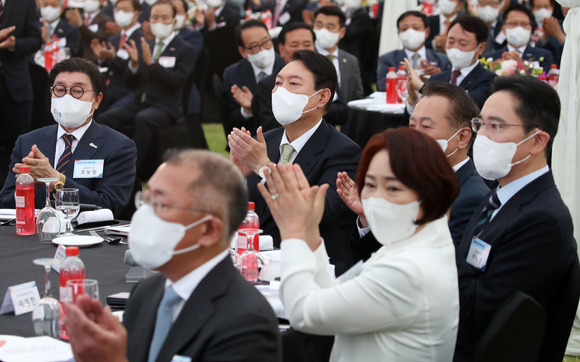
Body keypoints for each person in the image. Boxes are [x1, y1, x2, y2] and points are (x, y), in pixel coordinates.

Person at [257, 127, 460, 361]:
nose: (376, 198)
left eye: (392, 188)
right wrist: (310, 229)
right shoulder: (419, 243)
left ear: (430, 192)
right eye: (370, 185)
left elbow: (305, 314)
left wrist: (292, 230)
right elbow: (332, 296)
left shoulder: (408, 270)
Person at [65, 149, 282, 362]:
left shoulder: (245, 322)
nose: (144, 214)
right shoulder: (146, 293)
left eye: (160, 204)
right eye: (146, 199)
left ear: (208, 230)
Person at [454, 75, 580, 361]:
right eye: (480, 124)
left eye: (495, 126)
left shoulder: (542, 220)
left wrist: (435, 239)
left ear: (537, 141)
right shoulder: (499, 194)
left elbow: (480, 309)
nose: (482, 137)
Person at [229, 50, 361, 276]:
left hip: (309, 269)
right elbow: (241, 210)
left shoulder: (344, 153)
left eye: (293, 84)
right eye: (278, 83)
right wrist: (234, 177)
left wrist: (263, 166)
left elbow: (318, 213)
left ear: (322, 97)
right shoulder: (267, 140)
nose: (281, 91)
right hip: (254, 262)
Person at [340, 82, 488, 262]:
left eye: (426, 127)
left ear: (462, 137)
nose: (414, 136)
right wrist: (368, 218)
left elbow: (440, 265)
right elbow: (367, 255)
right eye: (412, 126)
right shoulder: (404, 181)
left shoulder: (471, 197)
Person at [0, 57, 137, 217]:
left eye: (77, 91)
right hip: (33, 235)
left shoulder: (118, 146)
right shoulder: (28, 142)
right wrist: (27, 187)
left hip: (85, 237)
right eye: (60, 90)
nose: (67, 98)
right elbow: (5, 203)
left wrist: (57, 180)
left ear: (96, 100)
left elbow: (109, 205)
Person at [97, 1, 196, 173]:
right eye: (155, 17)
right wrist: (134, 65)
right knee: (106, 118)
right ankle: (105, 166)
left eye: (164, 18)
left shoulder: (185, 49)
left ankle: (131, 171)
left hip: (166, 105)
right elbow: (133, 82)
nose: (159, 22)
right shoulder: (146, 46)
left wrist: (152, 65)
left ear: (174, 21)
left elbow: (177, 81)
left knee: (143, 119)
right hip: (141, 100)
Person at [407, 15, 496, 110]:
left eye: (463, 43)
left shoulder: (489, 80)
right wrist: (413, 99)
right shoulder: (437, 79)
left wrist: (423, 87)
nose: (455, 48)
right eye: (451, 41)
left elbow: (465, 105)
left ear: (480, 48)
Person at [0, 0, 42, 184]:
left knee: (18, 146)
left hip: (16, 85)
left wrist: (13, 44)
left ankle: (13, 194)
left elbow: (35, 40)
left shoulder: (24, 2)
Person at [222, 20, 285, 136]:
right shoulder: (232, 74)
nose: (263, 50)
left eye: (266, 42)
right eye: (254, 46)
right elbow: (231, 118)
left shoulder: (287, 66)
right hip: (251, 137)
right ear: (243, 51)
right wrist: (247, 110)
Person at [252, 22, 316, 132]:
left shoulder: (323, 76)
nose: (301, 50)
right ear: (281, 49)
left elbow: (341, 112)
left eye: (307, 45)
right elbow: (269, 125)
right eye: (294, 45)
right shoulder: (269, 85)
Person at [312, 5, 364, 123]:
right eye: (319, 26)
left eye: (330, 27)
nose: (323, 31)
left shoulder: (350, 61)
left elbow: (357, 97)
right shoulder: (307, 58)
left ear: (342, 32)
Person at [377, 10, 449, 92]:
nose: (410, 32)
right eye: (404, 29)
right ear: (399, 33)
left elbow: (450, 87)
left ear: (427, 32)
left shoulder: (442, 59)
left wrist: (436, 77)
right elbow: (383, 87)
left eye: (416, 28)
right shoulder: (387, 59)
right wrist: (418, 75)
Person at [91, 0, 144, 109]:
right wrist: (101, 58)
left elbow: (136, 73)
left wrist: (114, 57)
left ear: (136, 14)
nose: (120, 13)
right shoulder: (114, 38)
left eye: (125, 10)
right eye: (118, 10)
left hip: (127, 92)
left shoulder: (141, 39)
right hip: (108, 89)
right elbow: (108, 67)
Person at [483, 5, 554, 72]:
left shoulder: (543, 56)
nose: (519, 28)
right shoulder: (491, 58)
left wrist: (521, 65)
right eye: (513, 23)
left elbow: (544, 82)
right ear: (504, 29)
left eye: (524, 24)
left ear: (530, 29)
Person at [530, 0, 565, 66]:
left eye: (546, 7)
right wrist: (545, 36)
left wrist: (558, 34)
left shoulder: (561, 26)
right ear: (532, 9)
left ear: (552, 8)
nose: (542, 11)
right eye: (538, 7)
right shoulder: (528, 27)